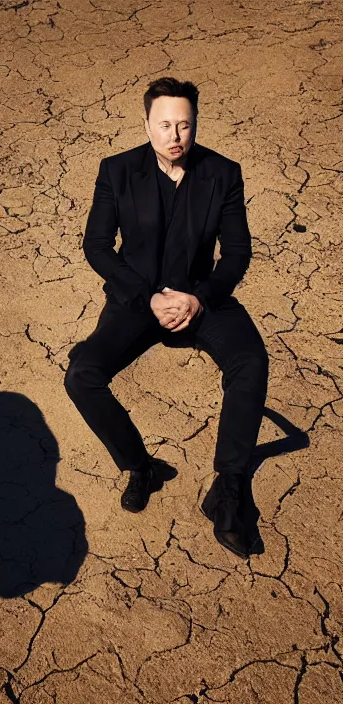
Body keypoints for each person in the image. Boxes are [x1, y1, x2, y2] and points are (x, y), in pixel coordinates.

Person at [65, 77, 268, 558]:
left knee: (251, 362)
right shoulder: (117, 171)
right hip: (137, 302)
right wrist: (147, 297)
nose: (174, 135)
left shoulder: (223, 173)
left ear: (195, 124)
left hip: (200, 298)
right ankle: (141, 466)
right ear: (147, 124)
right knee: (82, 375)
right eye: (164, 125)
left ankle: (230, 484)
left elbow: (237, 252)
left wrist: (199, 298)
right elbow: (98, 247)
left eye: (184, 125)